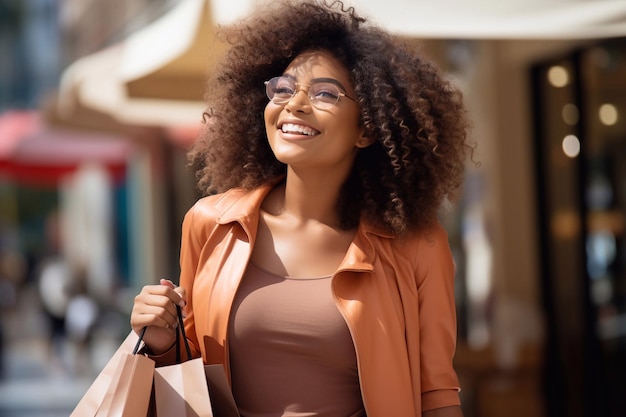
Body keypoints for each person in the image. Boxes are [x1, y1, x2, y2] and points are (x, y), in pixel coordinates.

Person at [131, 1, 474, 416]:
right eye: (284, 88)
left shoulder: (417, 245)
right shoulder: (211, 225)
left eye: (325, 93)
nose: (294, 104)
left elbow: (436, 395)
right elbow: (186, 382)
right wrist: (160, 342)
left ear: (367, 129)